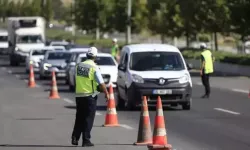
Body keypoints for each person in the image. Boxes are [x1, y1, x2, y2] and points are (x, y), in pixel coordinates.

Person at [71, 47, 109, 147]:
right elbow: (101, 83)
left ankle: (75, 137)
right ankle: (86, 140)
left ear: (87, 55)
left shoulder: (79, 66)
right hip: (90, 96)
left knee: (79, 117)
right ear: (95, 57)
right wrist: (106, 93)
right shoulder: (94, 67)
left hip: (79, 95)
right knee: (88, 118)